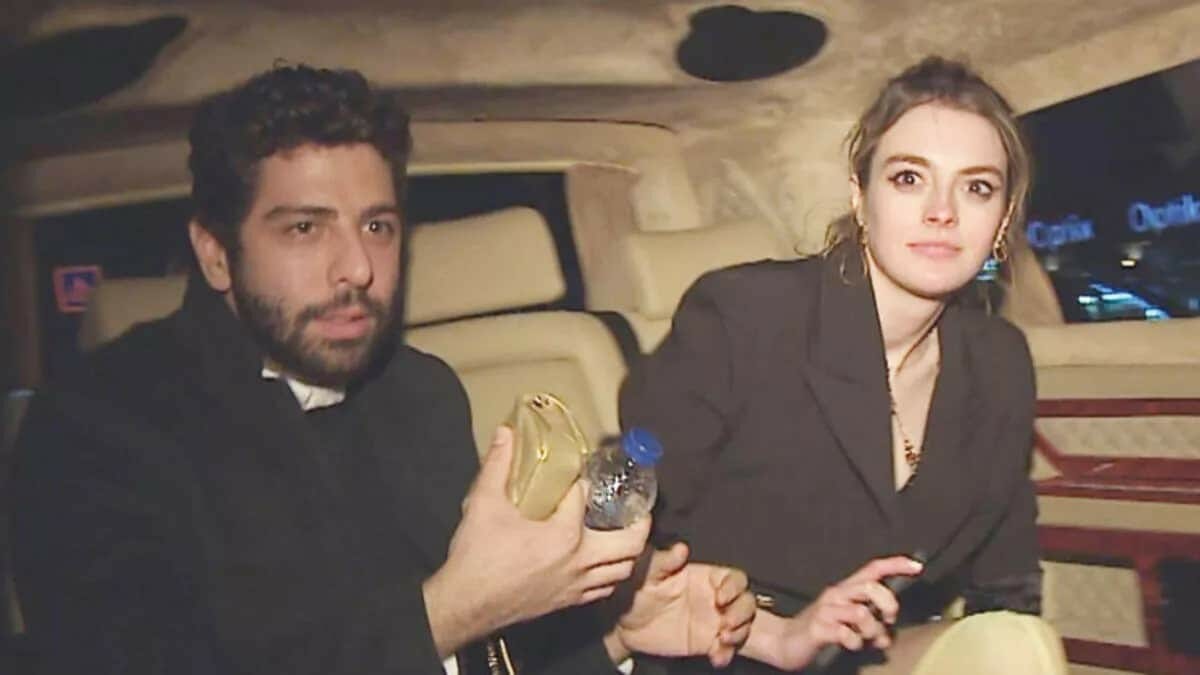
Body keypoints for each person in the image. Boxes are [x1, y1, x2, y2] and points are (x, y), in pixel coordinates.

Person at [10, 64, 754, 675]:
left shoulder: (420, 391)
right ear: (215, 254)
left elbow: (480, 652)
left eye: (377, 225)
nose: (359, 267)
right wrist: (450, 610)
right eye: (305, 228)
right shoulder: (94, 428)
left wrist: (615, 637)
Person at [620, 56, 1046, 673]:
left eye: (976, 187)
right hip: (725, 645)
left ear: (1002, 220)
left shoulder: (1000, 360)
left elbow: (1007, 570)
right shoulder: (745, 314)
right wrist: (772, 633)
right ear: (860, 195)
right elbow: (621, 508)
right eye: (909, 178)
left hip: (870, 650)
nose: (942, 210)